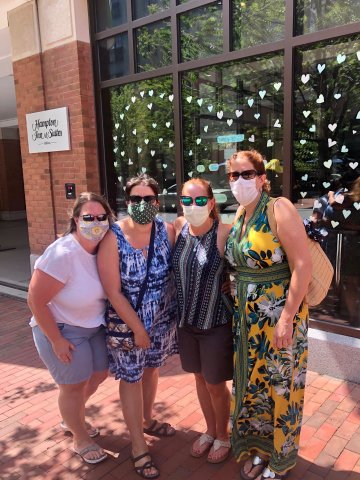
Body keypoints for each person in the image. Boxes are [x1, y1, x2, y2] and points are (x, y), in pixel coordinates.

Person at [225, 150, 312, 480]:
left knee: (282, 389)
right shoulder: (240, 215)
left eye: (247, 174)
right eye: (234, 176)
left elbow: (302, 264)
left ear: (262, 178)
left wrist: (288, 317)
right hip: (247, 325)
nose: (239, 181)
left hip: (280, 320)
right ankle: (261, 450)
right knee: (256, 390)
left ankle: (281, 461)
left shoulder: (279, 208)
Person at [97, 174, 178, 480]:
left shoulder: (165, 230)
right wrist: (138, 329)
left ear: (157, 202)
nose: (142, 204)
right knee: (131, 377)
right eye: (135, 199)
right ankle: (137, 445)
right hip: (128, 323)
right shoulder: (112, 237)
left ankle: (147, 419)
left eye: (148, 199)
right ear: (126, 202)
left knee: (152, 369)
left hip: (161, 319)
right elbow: (112, 291)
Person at [28, 192, 114, 464]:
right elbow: (35, 299)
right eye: (88, 217)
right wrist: (55, 339)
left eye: (102, 217)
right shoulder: (63, 253)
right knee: (73, 386)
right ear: (76, 220)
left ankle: (72, 416)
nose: (96, 222)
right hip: (62, 328)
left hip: (93, 326)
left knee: (99, 373)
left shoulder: (103, 248)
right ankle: (80, 437)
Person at [172, 178, 233, 464]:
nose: (192, 206)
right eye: (186, 200)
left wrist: (230, 285)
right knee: (198, 378)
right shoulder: (178, 228)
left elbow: (243, 268)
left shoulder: (224, 232)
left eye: (199, 201)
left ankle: (224, 435)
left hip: (214, 324)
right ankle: (209, 431)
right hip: (186, 324)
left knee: (215, 383)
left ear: (211, 203)